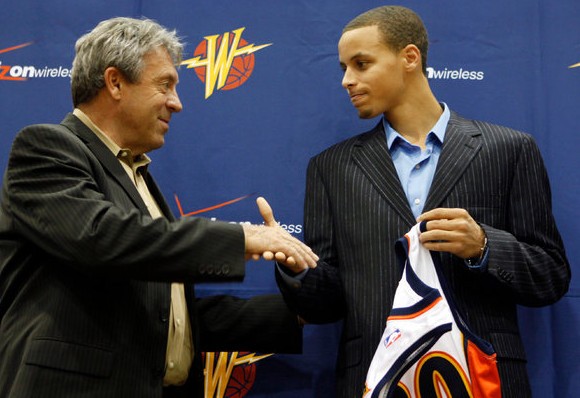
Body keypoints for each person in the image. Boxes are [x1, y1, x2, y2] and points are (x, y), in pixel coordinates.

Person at [0, 17, 318, 398]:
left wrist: (292, 314)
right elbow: (102, 238)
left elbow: (162, 311)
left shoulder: (135, 173)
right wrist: (242, 238)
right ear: (115, 82)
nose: (177, 103)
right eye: (164, 84)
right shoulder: (46, 148)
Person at [273, 5, 571, 397]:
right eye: (344, 67)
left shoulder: (509, 150)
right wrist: (297, 267)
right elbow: (325, 306)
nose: (347, 80)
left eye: (361, 64)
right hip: (376, 379)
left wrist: (484, 246)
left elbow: (550, 276)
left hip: (484, 379)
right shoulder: (331, 168)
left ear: (409, 57)